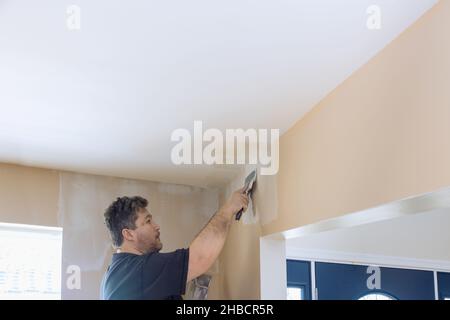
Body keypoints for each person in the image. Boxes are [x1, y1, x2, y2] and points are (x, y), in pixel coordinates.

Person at [101, 188, 249, 300]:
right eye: (147, 221)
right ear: (128, 234)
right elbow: (199, 258)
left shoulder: (114, 274)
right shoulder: (140, 270)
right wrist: (228, 209)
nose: (156, 226)